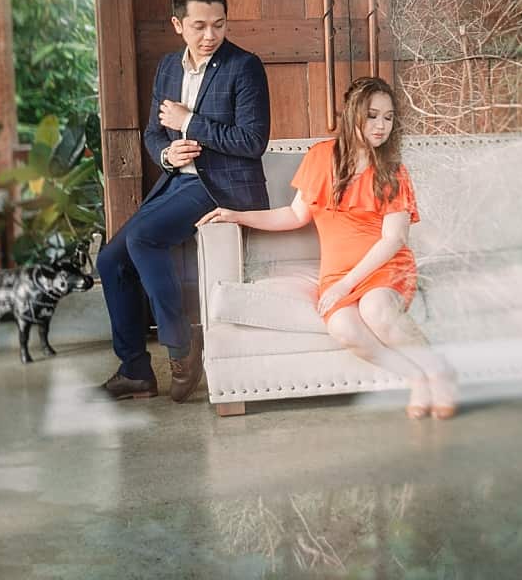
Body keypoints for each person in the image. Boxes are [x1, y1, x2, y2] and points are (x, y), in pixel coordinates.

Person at [196, 76, 458, 419]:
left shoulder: (393, 171)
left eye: (388, 117)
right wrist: (236, 215)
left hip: (385, 267)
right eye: (372, 116)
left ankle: (438, 372)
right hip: (337, 272)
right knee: (344, 329)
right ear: (352, 115)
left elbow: (394, 239)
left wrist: (346, 285)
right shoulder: (320, 157)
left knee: (375, 310)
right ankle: (415, 376)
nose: (381, 126)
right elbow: (295, 215)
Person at [97, 0, 271, 402]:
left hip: (222, 186)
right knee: (110, 260)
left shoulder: (244, 67)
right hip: (178, 180)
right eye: (199, 26)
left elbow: (252, 141)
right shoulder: (168, 68)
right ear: (178, 25)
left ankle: (180, 348)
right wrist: (167, 154)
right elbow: (153, 133)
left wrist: (189, 122)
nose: (210, 35)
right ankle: (135, 370)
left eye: (219, 24)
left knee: (143, 237)